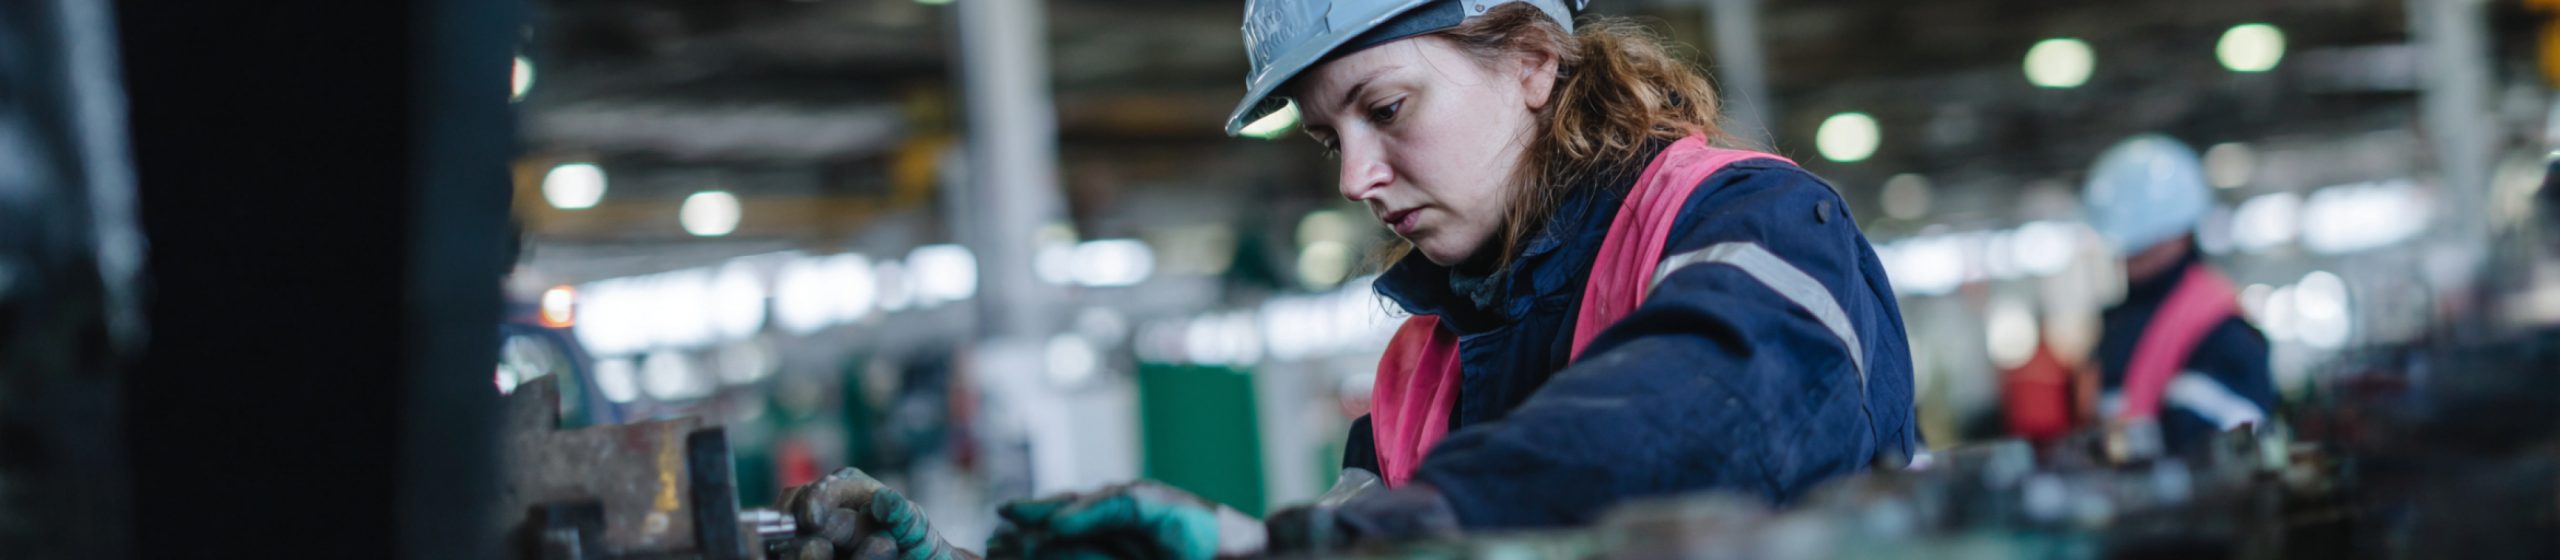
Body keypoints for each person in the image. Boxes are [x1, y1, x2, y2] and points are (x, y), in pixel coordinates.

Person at [793, 1, 1920, 557]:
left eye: (1384, 110)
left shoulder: (1750, 221)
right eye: (1332, 139)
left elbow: (1696, 419)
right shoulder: (1418, 364)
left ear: (1532, 60)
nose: (1356, 179)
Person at [2079, 135, 2278, 453]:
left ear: (2182, 233)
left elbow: (2233, 445)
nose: (2130, 257)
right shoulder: (2125, 323)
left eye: (2144, 243)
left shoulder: (2222, 328)